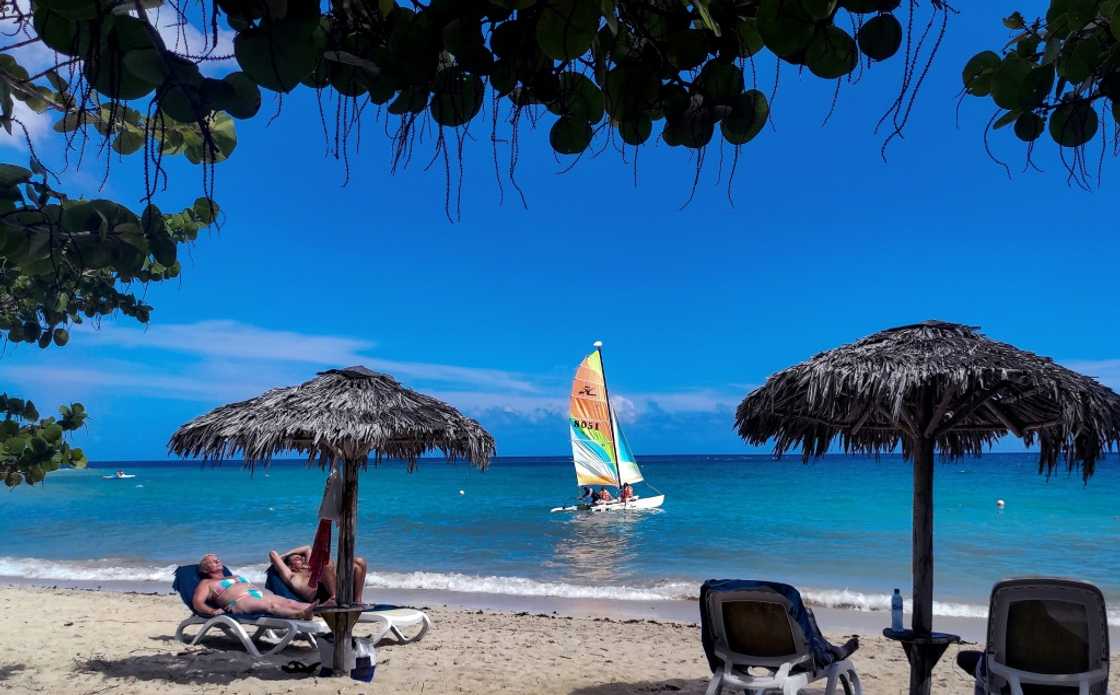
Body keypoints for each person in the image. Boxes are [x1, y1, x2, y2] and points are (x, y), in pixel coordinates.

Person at [192, 553, 313, 619]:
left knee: (290, 602)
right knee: (272, 606)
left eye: (218, 559)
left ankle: (315, 608)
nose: (218, 561)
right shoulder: (206, 583)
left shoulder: (233, 576)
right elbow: (197, 603)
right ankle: (299, 615)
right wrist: (212, 611)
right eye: (213, 561)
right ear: (205, 569)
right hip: (239, 601)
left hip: (258, 595)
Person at [268, 545, 368, 604]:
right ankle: (334, 597)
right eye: (297, 559)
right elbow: (273, 554)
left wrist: (291, 555)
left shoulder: (309, 567)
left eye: (301, 558)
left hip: (333, 587)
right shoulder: (290, 575)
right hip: (320, 597)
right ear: (290, 567)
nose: (302, 559)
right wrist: (284, 557)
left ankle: (357, 601)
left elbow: (307, 548)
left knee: (359, 562)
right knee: (324, 562)